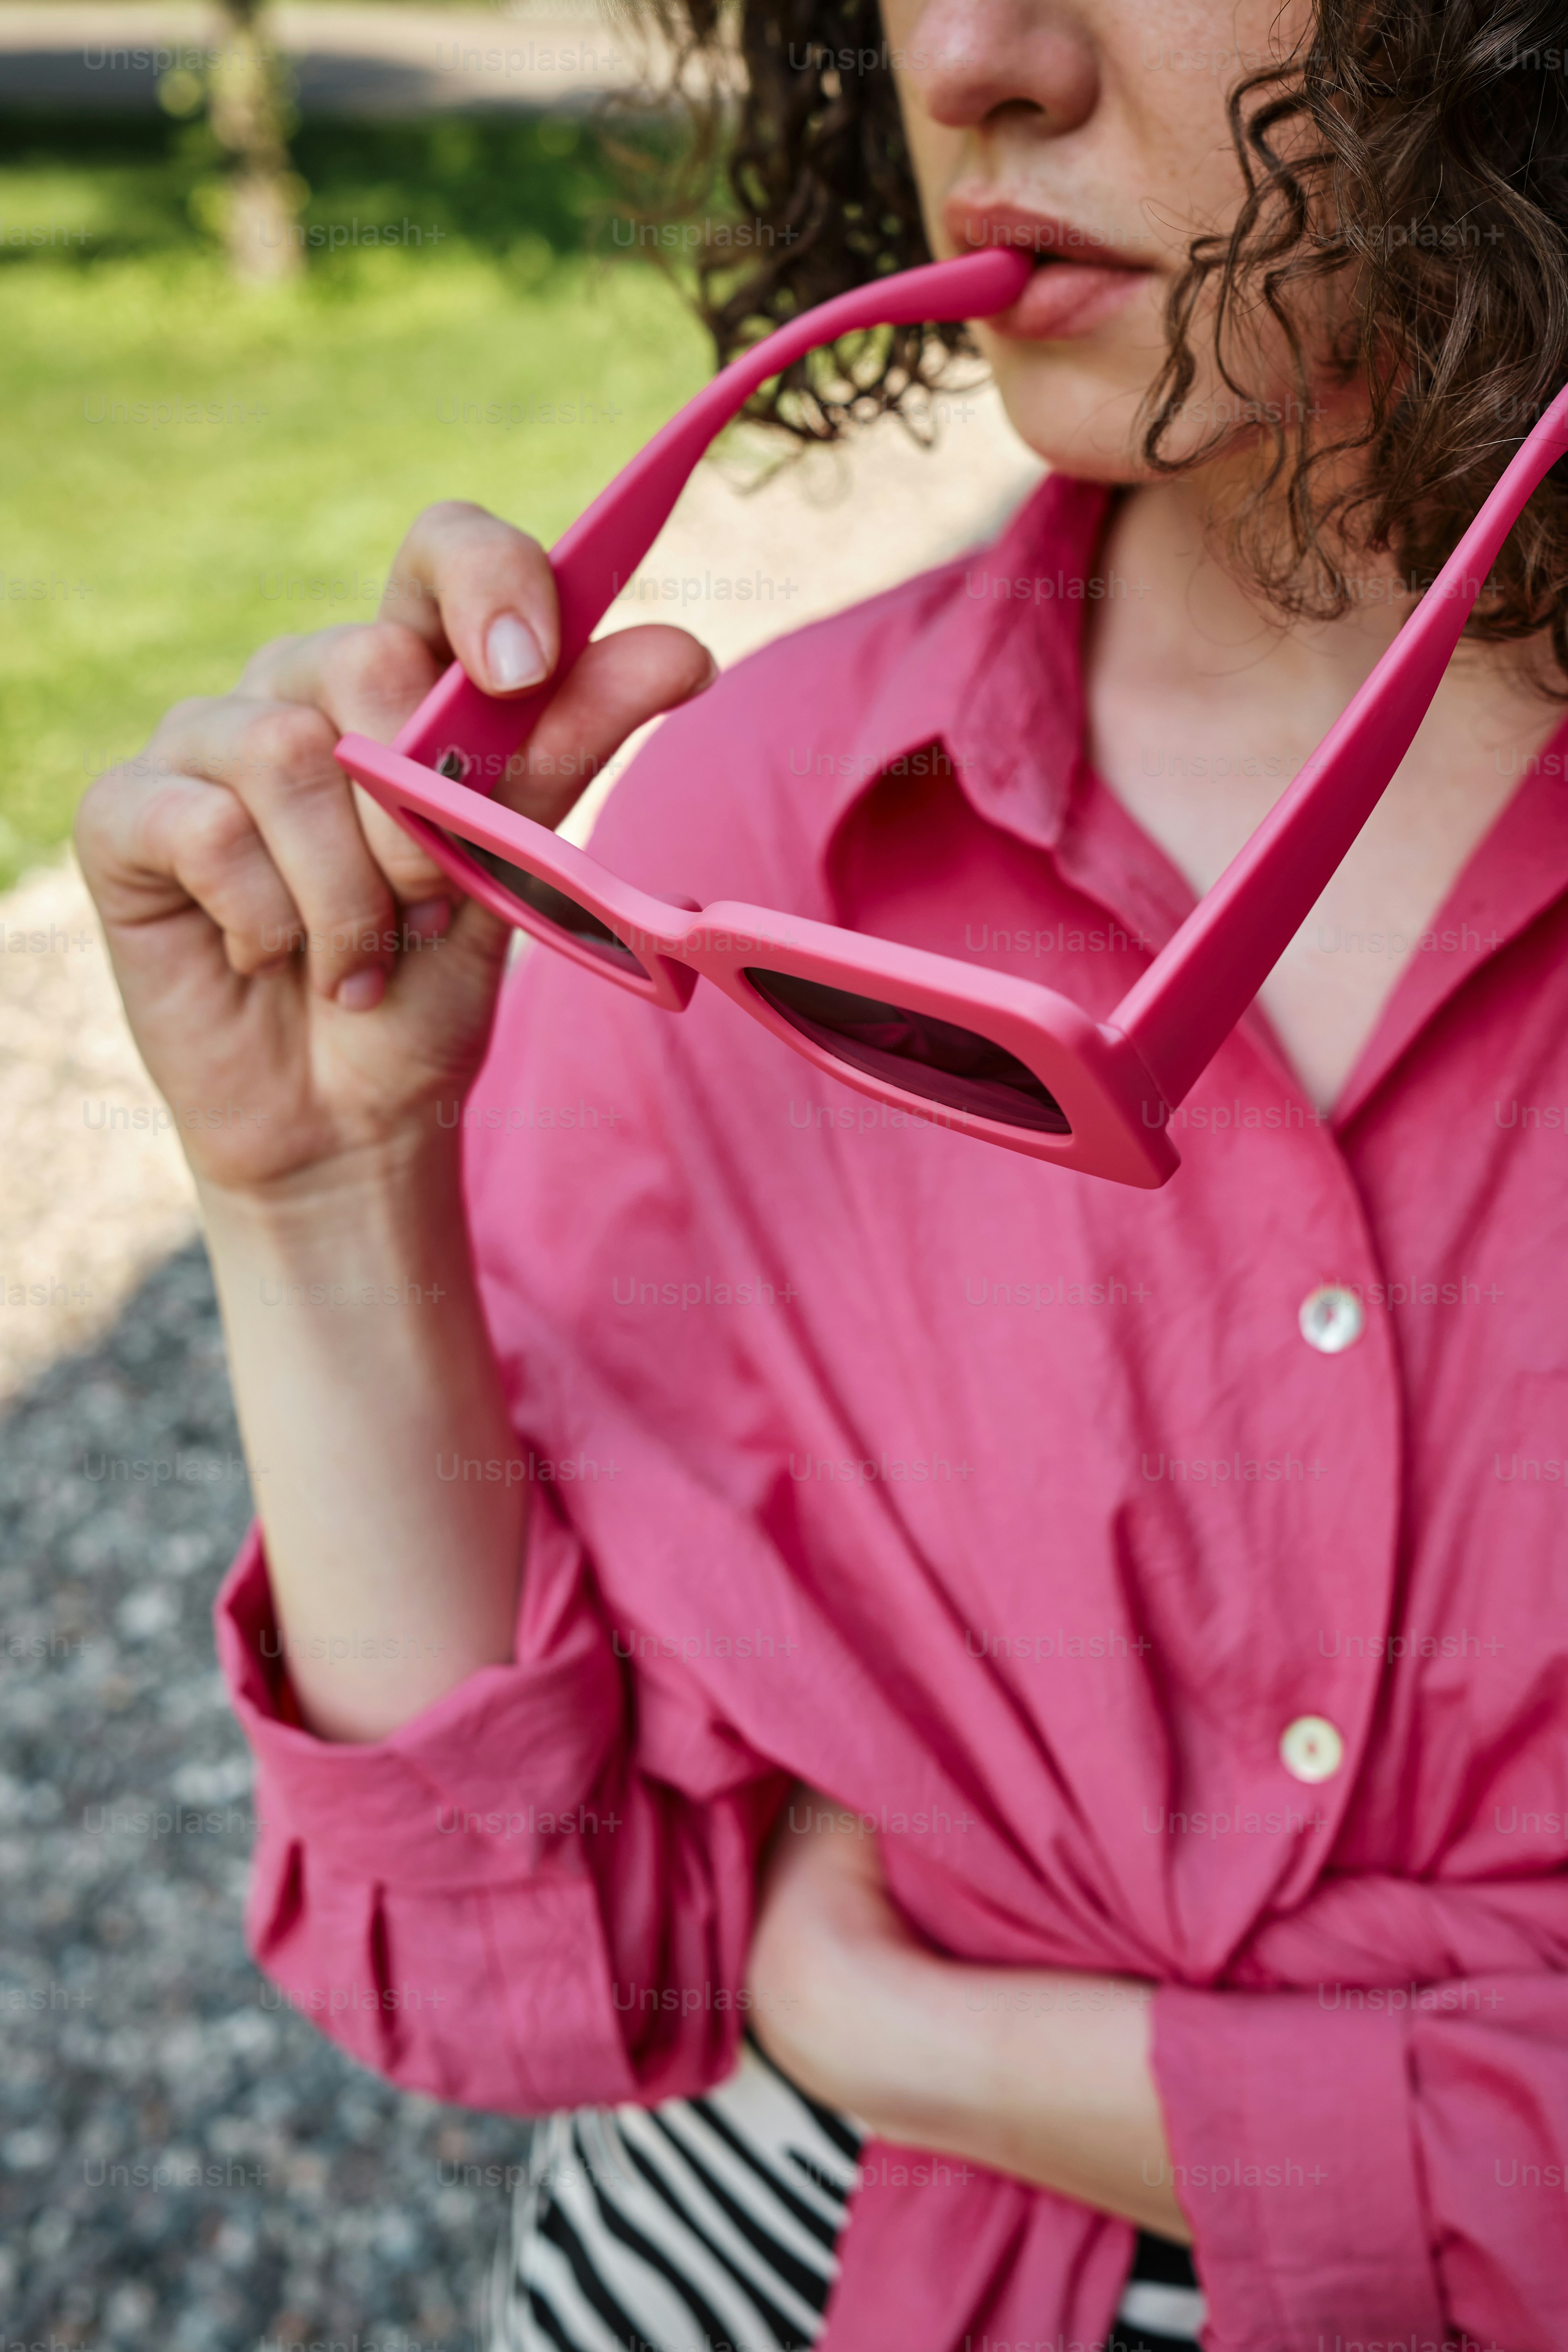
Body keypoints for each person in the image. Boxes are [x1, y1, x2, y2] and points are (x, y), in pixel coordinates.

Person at [76, 0, 1568, 2347]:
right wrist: (312, 1187)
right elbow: (542, 1955)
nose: (971, 57)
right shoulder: (735, 829)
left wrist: (932, 2043)